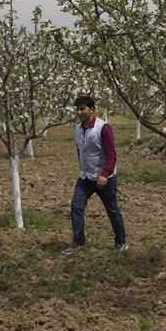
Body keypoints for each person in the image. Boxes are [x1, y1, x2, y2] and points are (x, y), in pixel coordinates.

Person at [62, 95, 127, 255]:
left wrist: (104, 174)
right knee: (76, 206)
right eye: (77, 109)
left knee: (112, 210)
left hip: (105, 178)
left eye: (82, 108)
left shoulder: (103, 128)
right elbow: (80, 149)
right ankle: (79, 242)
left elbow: (112, 154)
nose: (79, 112)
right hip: (85, 177)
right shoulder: (77, 128)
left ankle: (121, 241)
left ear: (92, 109)